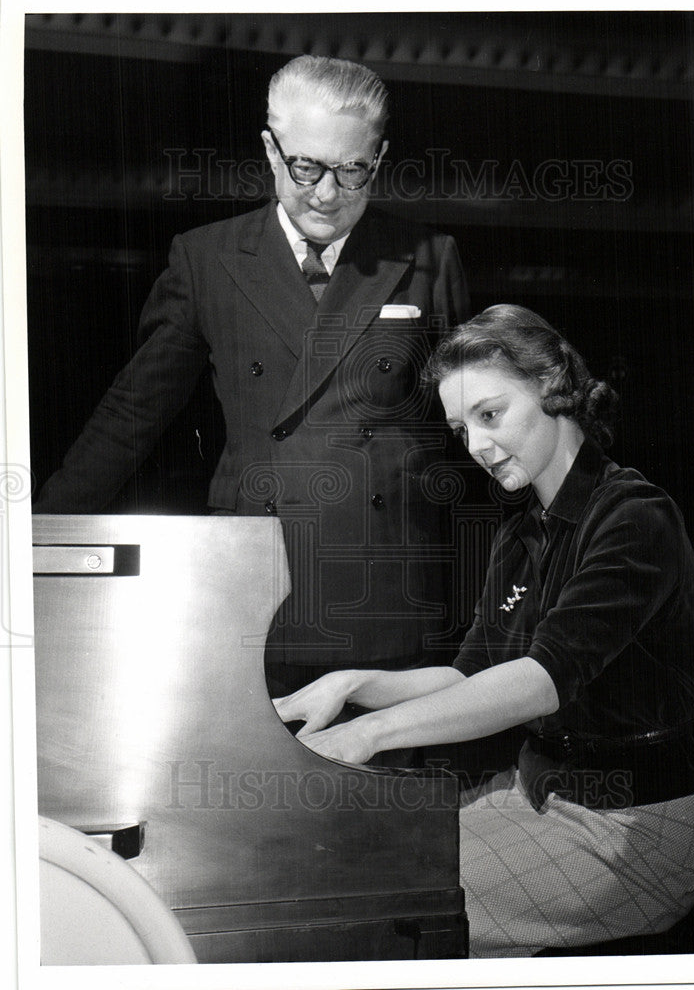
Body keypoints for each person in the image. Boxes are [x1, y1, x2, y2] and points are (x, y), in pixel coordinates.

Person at [274, 304, 694, 958]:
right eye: (461, 429)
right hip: (535, 795)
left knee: (372, 905)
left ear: (552, 388)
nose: (476, 446)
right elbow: (470, 674)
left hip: (637, 832)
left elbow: (541, 682)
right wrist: (352, 685)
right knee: (347, 863)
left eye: (490, 415)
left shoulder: (634, 515)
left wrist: (368, 733)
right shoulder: (520, 532)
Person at [33, 55, 470, 697]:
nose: (327, 193)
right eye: (306, 167)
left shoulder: (431, 257)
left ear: (378, 159)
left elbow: (471, 430)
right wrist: (39, 537)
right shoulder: (207, 259)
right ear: (270, 150)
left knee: (386, 787)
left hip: (389, 583)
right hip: (258, 579)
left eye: (352, 170)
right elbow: (131, 417)